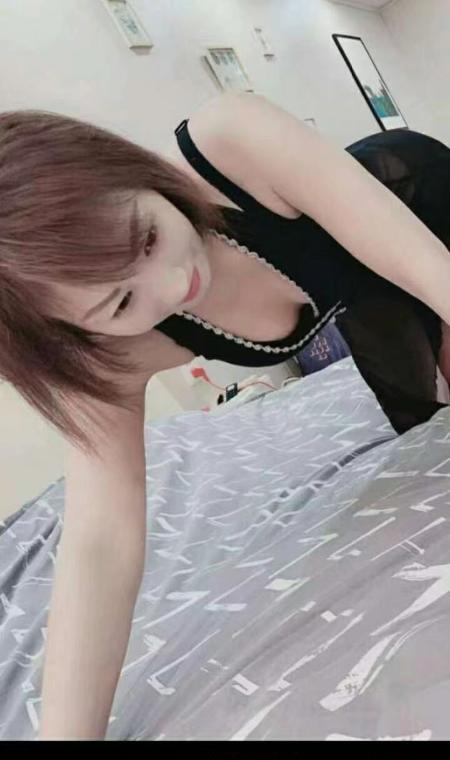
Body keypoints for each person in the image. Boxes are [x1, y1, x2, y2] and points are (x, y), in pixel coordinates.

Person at [1, 92, 450, 739]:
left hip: (421, 208)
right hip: (363, 292)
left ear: (125, 169)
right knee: (429, 421)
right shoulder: (105, 353)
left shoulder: (232, 141)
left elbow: (430, 271)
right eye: (122, 303)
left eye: (148, 237)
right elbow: (101, 541)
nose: (171, 283)